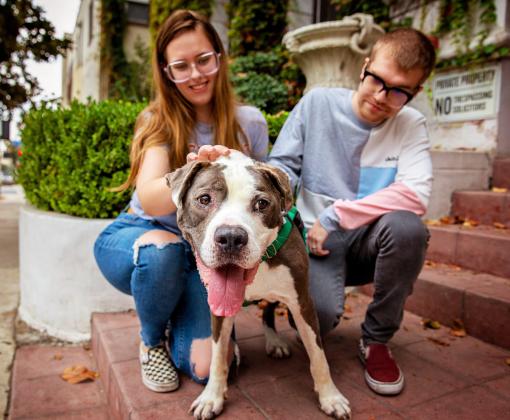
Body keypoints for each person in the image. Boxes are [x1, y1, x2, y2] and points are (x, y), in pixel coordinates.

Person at [93, 10, 268, 393]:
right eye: (181, 66)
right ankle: (152, 340)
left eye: (204, 59)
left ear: (219, 58)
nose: (196, 74)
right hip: (143, 236)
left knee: (208, 369)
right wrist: (196, 169)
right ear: (167, 72)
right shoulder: (158, 119)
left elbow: (261, 201)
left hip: (201, 254)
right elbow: (152, 201)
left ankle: (176, 313)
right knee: (162, 254)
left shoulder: (249, 123)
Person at [267, 28, 436, 396]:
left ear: (415, 92)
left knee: (408, 228)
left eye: (398, 91)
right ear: (365, 67)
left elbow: (416, 194)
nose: (381, 96)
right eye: (377, 79)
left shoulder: (411, 125)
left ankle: (376, 340)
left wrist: (336, 216)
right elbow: (282, 167)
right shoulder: (318, 103)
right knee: (317, 322)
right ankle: (318, 305)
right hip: (314, 242)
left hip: (368, 241)